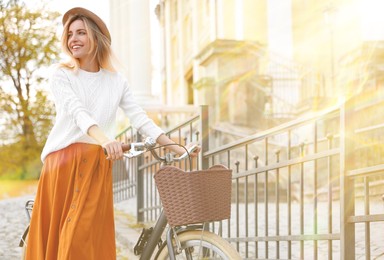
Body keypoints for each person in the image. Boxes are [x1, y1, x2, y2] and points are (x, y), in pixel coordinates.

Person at [25, 7, 199, 260]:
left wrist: (176, 147)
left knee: (88, 241)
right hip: (63, 164)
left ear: (95, 37)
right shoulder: (61, 74)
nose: (73, 39)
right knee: (71, 241)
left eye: (81, 32)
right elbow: (78, 112)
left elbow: (139, 118)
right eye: (70, 34)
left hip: (96, 166)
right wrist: (105, 139)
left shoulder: (116, 81)